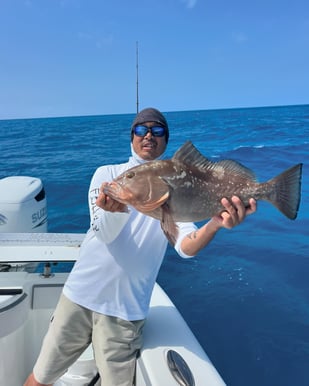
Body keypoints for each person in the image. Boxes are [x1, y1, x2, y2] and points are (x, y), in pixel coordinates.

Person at [24, 107, 256, 386]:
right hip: (78, 297)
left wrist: (215, 224)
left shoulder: (175, 192)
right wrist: (115, 209)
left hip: (125, 313)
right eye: (141, 129)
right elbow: (102, 232)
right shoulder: (108, 175)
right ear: (131, 136)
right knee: (41, 377)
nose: (148, 135)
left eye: (157, 130)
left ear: (165, 140)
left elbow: (185, 246)